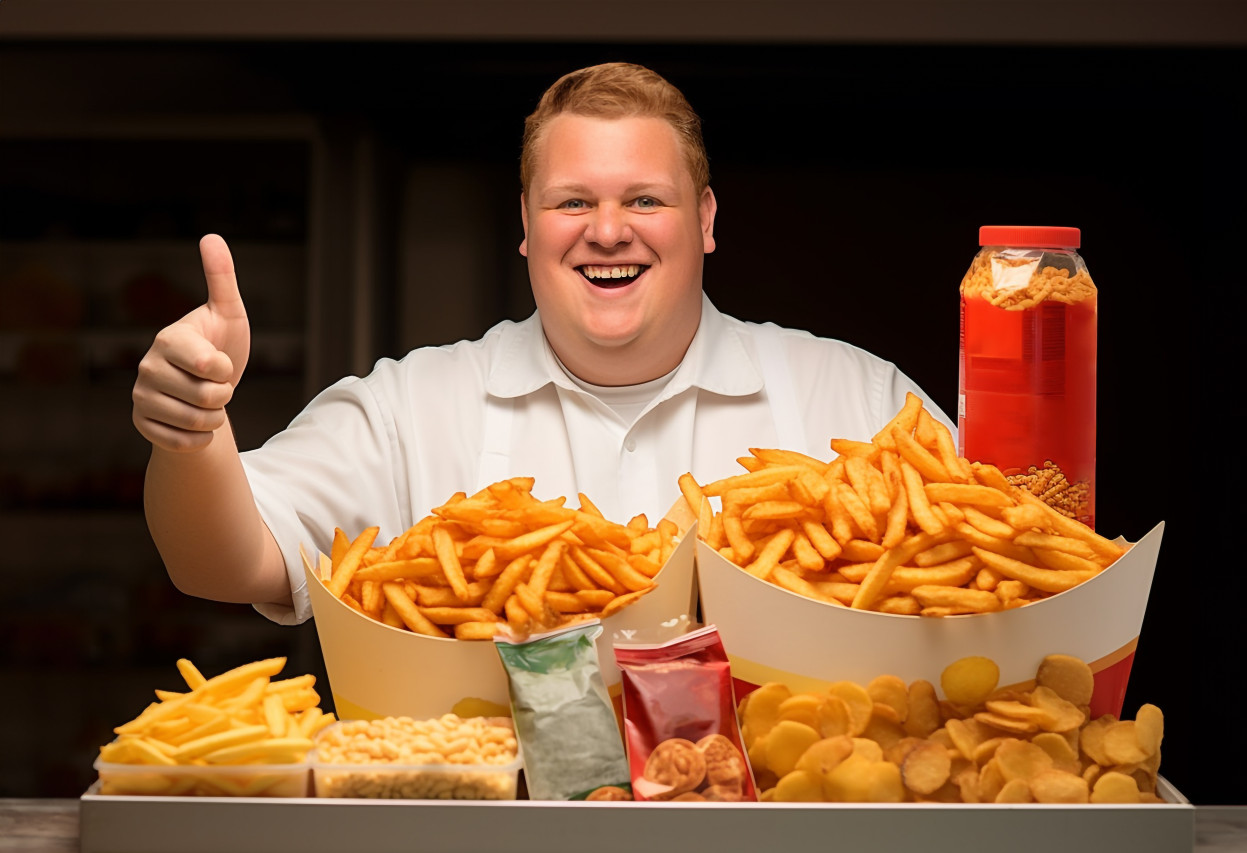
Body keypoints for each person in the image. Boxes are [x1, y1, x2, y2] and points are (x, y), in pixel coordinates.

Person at [131, 62, 950, 625]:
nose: (606, 231)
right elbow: (223, 564)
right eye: (571, 203)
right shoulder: (409, 406)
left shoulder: (861, 398)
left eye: (643, 199)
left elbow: (1007, 591)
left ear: (704, 221)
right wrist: (191, 435)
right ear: (525, 226)